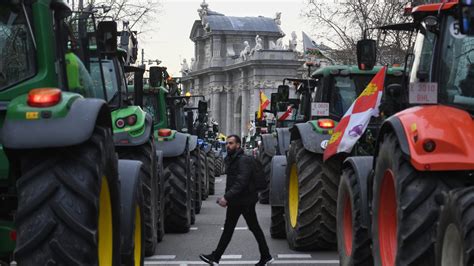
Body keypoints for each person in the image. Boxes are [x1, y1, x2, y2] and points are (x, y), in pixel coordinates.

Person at [199, 135, 273, 266]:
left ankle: (215, 257)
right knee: (249, 228)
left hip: (243, 201)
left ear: (238, 145)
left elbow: (241, 182)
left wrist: (226, 197)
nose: (228, 146)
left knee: (237, 229)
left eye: (231, 143)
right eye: (227, 143)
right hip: (240, 201)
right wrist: (228, 197)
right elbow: (235, 182)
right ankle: (266, 256)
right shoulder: (233, 159)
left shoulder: (242, 160)